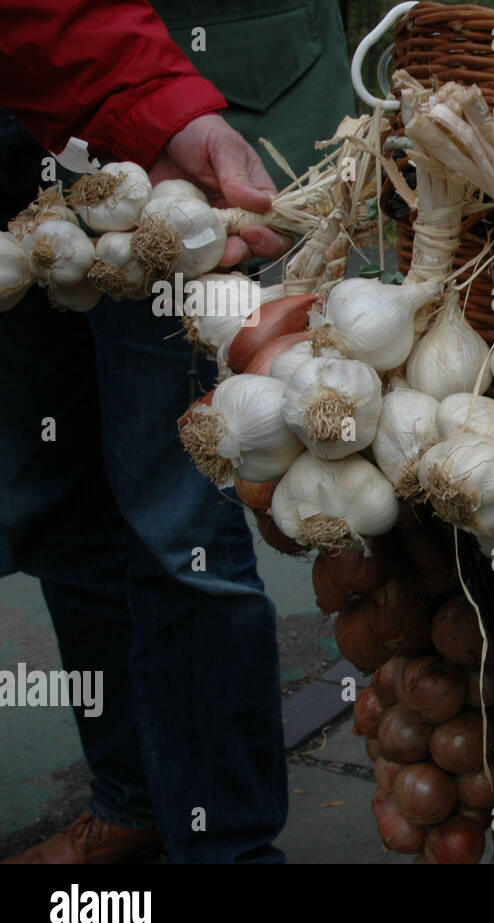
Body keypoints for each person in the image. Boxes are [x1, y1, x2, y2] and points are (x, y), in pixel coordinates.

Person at [0, 0, 351, 863]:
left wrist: (149, 103)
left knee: (177, 520)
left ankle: (223, 848)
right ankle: (134, 800)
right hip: (38, 98)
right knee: (59, 502)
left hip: (193, 90)